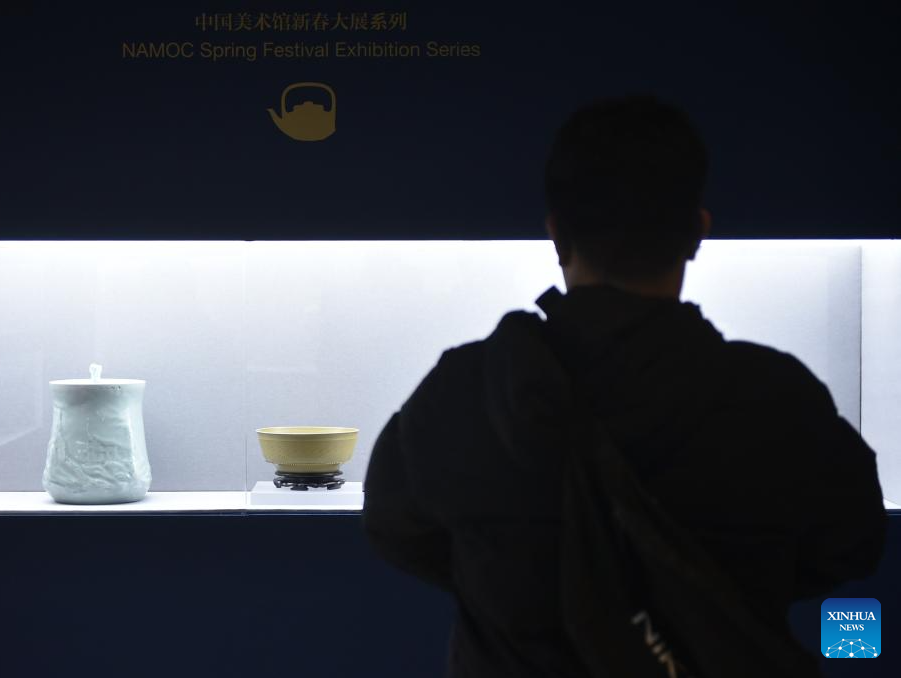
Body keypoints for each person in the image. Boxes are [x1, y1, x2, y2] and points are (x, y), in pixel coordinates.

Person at [362, 94, 887, 677]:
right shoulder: (779, 400)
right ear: (697, 233)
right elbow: (854, 542)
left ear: (557, 235)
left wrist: (505, 582)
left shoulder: (465, 392)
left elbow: (393, 527)